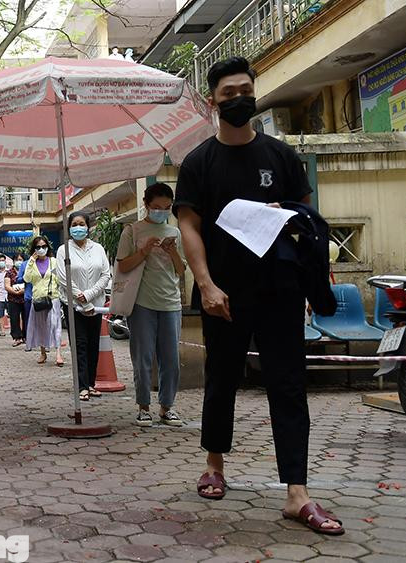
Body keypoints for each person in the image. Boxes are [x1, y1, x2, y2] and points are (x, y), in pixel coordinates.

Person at [175, 57, 342, 535]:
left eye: (245, 90)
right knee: (222, 378)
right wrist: (205, 284)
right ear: (213, 100)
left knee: (288, 385)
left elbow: (309, 222)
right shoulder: (199, 162)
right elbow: (189, 226)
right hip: (224, 293)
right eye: (228, 93)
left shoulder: (282, 157)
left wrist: (285, 214)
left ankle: (297, 493)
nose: (238, 99)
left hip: (281, 292)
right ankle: (214, 465)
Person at [116, 182, 186, 427]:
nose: (162, 212)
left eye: (167, 208)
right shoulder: (132, 231)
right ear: (146, 205)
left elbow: (180, 271)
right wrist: (144, 250)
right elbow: (123, 265)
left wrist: (172, 252)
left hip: (171, 304)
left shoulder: (175, 233)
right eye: (156, 207)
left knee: (171, 360)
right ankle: (143, 407)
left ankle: (167, 408)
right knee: (143, 357)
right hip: (142, 303)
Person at [56, 212, 111, 401]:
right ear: (69, 227)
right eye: (74, 224)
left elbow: (105, 275)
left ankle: (91, 384)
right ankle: (82, 386)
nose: (78, 227)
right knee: (80, 345)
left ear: (88, 227)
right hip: (73, 305)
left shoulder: (98, 249)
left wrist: (88, 296)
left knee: (93, 345)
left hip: (96, 305)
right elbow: (64, 278)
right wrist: (81, 299)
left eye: (81, 224)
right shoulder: (64, 250)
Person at [24, 236, 64, 366]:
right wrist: (31, 261)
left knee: (55, 324)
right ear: (34, 249)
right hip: (38, 299)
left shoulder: (53, 261)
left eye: (44, 246)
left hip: (53, 297)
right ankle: (43, 352)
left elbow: (59, 278)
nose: (41, 249)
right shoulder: (31, 263)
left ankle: (58, 353)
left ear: (47, 247)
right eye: (38, 247)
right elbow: (27, 279)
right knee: (40, 326)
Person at [5, 253, 27, 346]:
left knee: (26, 318)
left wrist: (22, 291)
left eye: (21, 259)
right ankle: (17, 337)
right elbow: (6, 285)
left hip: (25, 298)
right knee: (14, 318)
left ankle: (26, 336)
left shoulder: (27, 271)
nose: (19, 261)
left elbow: (30, 283)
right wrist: (15, 292)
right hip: (13, 299)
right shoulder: (9, 272)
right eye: (17, 259)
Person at [16, 253, 33, 350]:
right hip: (29, 297)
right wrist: (26, 277)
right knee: (28, 321)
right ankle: (29, 342)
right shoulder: (24, 264)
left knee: (43, 322)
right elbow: (18, 279)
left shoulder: (44, 263)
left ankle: (44, 344)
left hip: (42, 296)